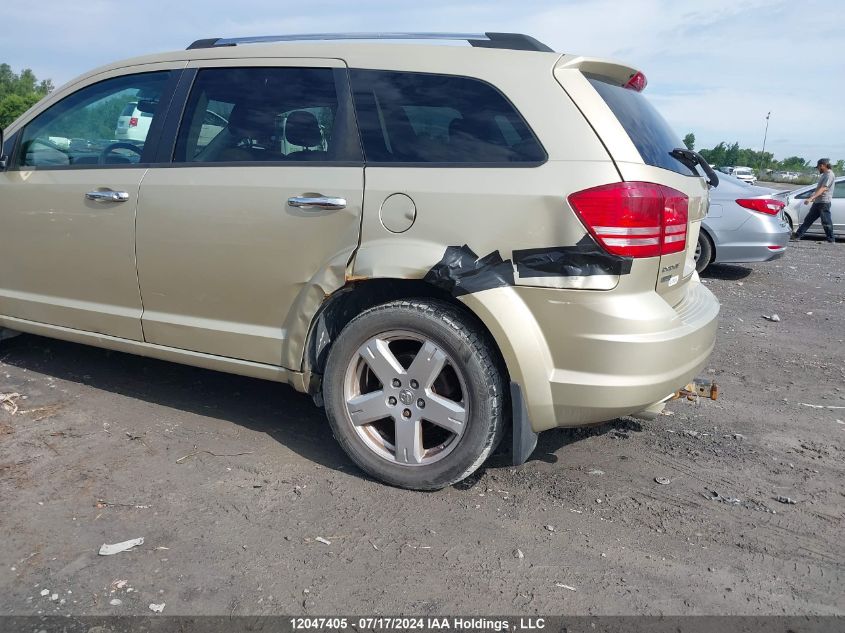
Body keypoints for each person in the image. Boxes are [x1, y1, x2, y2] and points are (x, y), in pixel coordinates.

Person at [793, 158, 836, 243]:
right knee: (808, 219)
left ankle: (831, 239)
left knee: (826, 222)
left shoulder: (829, 175)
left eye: (818, 167)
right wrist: (813, 195)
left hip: (824, 202)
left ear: (823, 165)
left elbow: (823, 188)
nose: (818, 169)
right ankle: (797, 235)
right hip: (818, 202)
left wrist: (811, 198)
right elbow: (819, 188)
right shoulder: (824, 174)